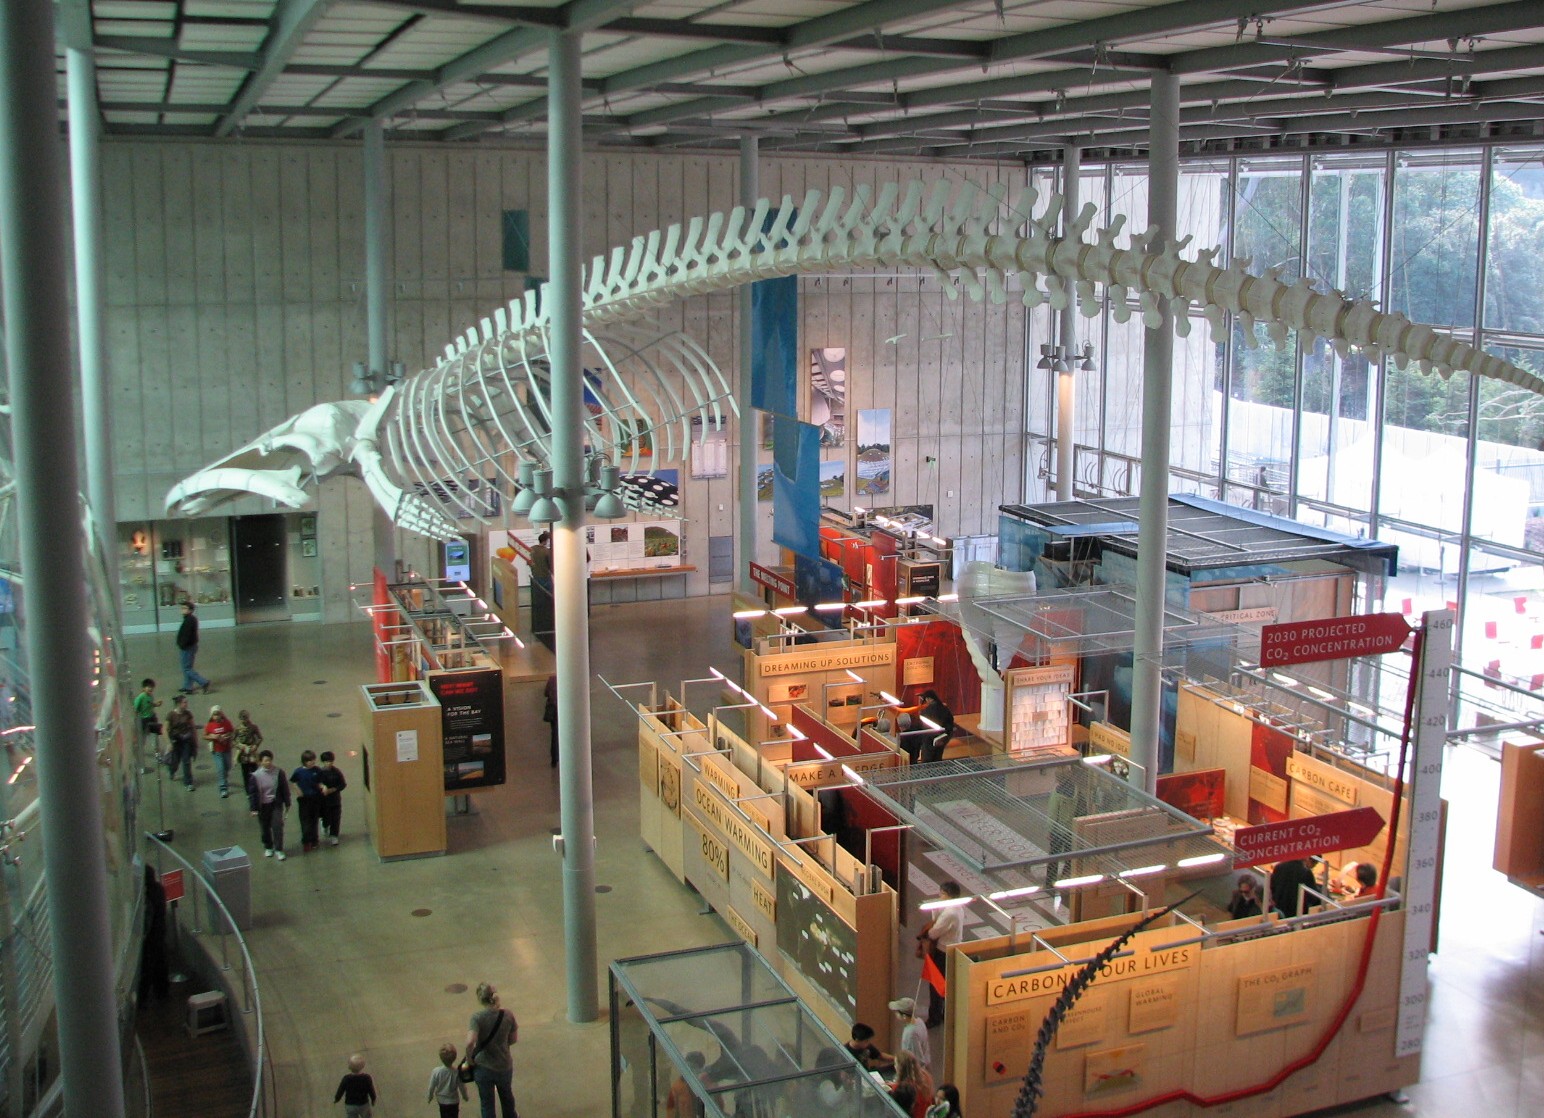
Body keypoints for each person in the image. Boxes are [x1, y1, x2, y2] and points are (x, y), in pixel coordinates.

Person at [463, 981, 518, 1118]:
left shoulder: (477, 1018)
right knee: (507, 1096)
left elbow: (470, 1043)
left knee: (487, 1103)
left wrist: (469, 1060)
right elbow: (513, 1039)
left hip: (483, 1067)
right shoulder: (508, 1015)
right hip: (504, 1064)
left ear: (480, 998)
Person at [917, 881, 964, 1028]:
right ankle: (945, 1012)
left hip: (942, 951)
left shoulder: (950, 913)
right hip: (953, 949)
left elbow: (933, 932)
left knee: (936, 985)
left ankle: (934, 1017)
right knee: (946, 983)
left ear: (948, 895)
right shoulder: (958, 908)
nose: (939, 896)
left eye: (942, 893)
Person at [248, 749, 291, 860]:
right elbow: (253, 793)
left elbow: (284, 788)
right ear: (260, 762)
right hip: (262, 806)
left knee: (277, 826)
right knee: (265, 828)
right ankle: (268, 847)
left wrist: (287, 802)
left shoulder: (278, 772)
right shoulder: (255, 776)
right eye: (266, 760)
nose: (268, 762)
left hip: (275, 804)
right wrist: (253, 808)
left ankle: (279, 849)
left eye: (270, 760)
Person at [139, 864, 169, 1001]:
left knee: (148, 966)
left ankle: (143, 998)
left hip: (152, 936)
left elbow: (148, 918)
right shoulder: (160, 889)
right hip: (160, 931)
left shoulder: (148, 895)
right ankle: (162, 993)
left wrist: (143, 935)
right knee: (161, 963)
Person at [292, 749, 326, 852]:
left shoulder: (317, 770)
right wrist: (298, 790)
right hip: (304, 800)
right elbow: (293, 781)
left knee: (314, 820)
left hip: (315, 798)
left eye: (313, 760)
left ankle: (314, 840)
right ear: (305, 761)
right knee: (305, 821)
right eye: (310, 761)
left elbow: (320, 782)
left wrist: (323, 787)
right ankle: (306, 841)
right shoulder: (299, 772)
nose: (312, 762)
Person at [175, 601, 212, 694]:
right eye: (182, 608)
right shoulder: (189, 619)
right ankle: (188, 686)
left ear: (190, 610)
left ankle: (204, 682)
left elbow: (187, 635)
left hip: (187, 647)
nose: (182, 610)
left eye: (185, 608)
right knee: (187, 667)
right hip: (188, 646)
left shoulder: (190, 620)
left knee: (187, 668)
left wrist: (182, 644)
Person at [427, 1042, 470, 1118]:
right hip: (454, 1101)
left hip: (442, 1101)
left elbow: (431, 1086)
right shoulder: (457, 1072)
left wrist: (430, 1096)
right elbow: (462, 1086)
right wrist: (465, 1096)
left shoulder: (436, 1071)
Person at [164, 694, 197, 790]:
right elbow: (164, 729)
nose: (186, 704)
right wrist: (168, 743)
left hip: (186, 740)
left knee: (186, 761)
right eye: (184, 702)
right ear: (179, 704)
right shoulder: (171, 715)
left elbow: (193, 727)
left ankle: (188, 782)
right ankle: (172, 770)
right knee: (175, 760)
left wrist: (195, 741)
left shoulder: (188, 714)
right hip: (176, 741)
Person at [889, 996, 930, 1070]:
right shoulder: (920, 1021)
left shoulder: (911, 1034)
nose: (895, 1014)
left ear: (904, 1016)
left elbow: (916, 1058)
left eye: (897, 1012)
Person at [890, 1051, 933, 1118]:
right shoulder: (925, 1076)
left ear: (900, 1068)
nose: (894, 1066)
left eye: (895, 1064)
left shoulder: (903, 1089)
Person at [204, 705, 235, 797]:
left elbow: (232, 732)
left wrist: (226, 736)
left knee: (228, 766)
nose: (216, 717)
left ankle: (224, 777)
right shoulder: (210, 725)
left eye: (218, 714)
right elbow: (205, 736)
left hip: (227, 749)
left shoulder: (226, 723)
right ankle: (223, 787)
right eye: (214, 715)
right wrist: (213, 736)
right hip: (217, 751)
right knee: (220, 768)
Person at [333, 1053, 377, 1118]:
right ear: (363, 1066)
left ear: (349, 1067)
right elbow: (371, 1090)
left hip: (350, 1104)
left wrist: (337, 1098)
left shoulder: (346, 1078)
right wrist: (373, 1099)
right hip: (363, 1104)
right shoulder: (367, 1078)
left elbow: (341, 1090)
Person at [917, 690, 954, 764]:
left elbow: (923, 726)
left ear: (929, 699)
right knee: (938, 758)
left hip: (929, 740)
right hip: (941, 738)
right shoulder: (944, 708)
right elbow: (950, 722)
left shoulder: (926, 711)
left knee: (927, 760)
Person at [318, 750, 347, 846]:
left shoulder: (337, 772)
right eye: (327, 761)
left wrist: (334, 789)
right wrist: (322, 787)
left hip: (335, 799)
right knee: (326, 817)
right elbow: (316, 783)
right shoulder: (320, 772)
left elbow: (343, 784)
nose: (329, 763)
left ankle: (334, 835)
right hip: (324, 800)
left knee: (336, 818)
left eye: (330, 761)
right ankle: (325, 825)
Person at [665, 1051, 705, 1118]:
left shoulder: (706, 1084)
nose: (692, 1071)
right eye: (690, 1067)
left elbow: (718, 1107)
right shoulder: (677, 1087)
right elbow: (670, 1112)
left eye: (695, 1068)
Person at [233, 709, 264, 792]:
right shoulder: (237, 729)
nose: (244, 720)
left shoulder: (253, 727)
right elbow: (233, 740)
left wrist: (255, 745)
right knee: (245, 773)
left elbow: (260, 738)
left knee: (255, 771)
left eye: (246, 718)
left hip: (252, 752)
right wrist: (240, 746)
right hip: (243, 754)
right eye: (242, 719)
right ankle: (248, 790)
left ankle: (256, 788)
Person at [133, 678, 163, 759]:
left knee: (155, 735)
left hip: (152, 718)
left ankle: (157, 751)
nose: (150, 689)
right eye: (148, 687)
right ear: (143, 688)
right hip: (143, 719)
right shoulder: (140, 697)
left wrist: (157, 704)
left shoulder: (150, 696)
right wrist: (135, 719)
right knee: (143, 736)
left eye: (152, 687)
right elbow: (135, 708)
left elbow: (151, 704)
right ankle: (139, 751)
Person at [543, 674, 559, 768]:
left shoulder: (552, 679)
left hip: (553, 711)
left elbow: (545, 693)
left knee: (554, 734)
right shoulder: (569, 679)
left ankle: (554, 758)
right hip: (564, 710)